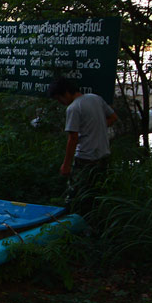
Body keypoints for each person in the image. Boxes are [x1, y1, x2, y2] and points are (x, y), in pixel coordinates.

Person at [47, 77, 118, 215]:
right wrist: (97, 128)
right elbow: (113, 117)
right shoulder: (95, 98)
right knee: (96, 193)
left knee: (76, 194)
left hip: (85, 158)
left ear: (66, 93)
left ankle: (73, 221)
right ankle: (95, 220)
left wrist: (66, 165)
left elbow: (72, 138)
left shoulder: (73, 108)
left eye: (59, 98)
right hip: (103, 155)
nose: (60, 102)